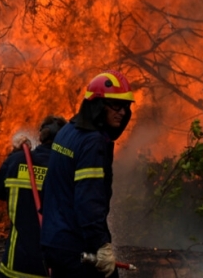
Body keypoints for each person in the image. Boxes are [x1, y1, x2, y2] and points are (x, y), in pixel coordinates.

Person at [41, 70, 135, 278]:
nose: (122, 112)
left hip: (55, 241)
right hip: (78, 247)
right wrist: (100, 245)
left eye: (126, 106)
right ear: (97, 105)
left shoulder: (67, 131)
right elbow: (89, 199)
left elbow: (48, 187)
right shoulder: (92, 142)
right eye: (116, 105)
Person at [0, 115, 66, 278]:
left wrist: (14, 154)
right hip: (52, 267)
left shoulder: (17, 160)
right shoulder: (66, 167)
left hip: (15, 264)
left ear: (40, 137)